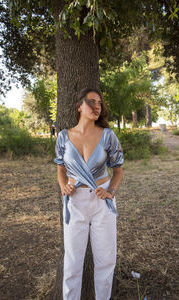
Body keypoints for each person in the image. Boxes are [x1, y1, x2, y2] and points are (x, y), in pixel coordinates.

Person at [54, 87, 124, 300]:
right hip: (74, 203)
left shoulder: (108, 136)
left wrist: (111, 191)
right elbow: (60, 170)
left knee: (105, 261)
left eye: (99, 103)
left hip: (101, 203)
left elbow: (118, 171)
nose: (97, 107)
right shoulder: (64, 137)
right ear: (79, 105)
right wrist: (63, 186)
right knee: (73, 262)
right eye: (92, 102)